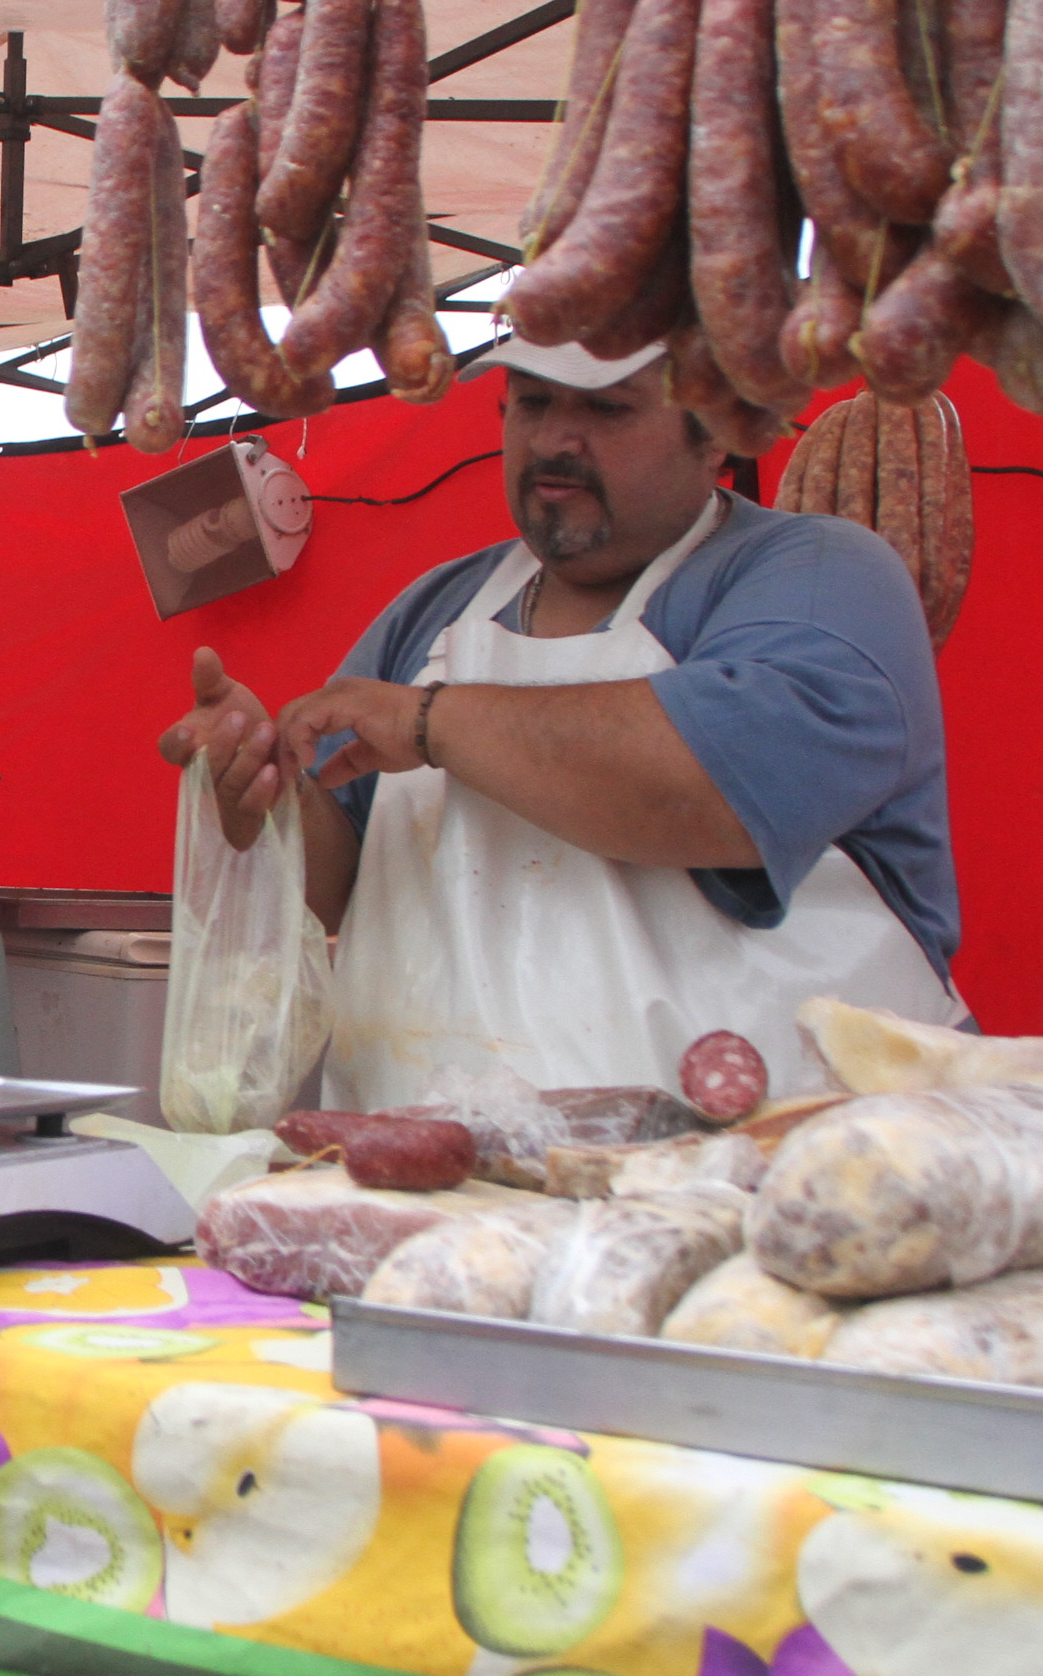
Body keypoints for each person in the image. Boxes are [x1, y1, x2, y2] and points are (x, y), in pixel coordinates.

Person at [157, 336, 964, 1108]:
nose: (553, 440)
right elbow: (336, 892)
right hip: (434, 1178)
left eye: (607, 407)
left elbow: (711, 788)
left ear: (716, 428)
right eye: (533, 402)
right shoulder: (433, 610)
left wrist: (430, 720)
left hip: (777, 1178)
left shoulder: (824, 574)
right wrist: (264, 792)